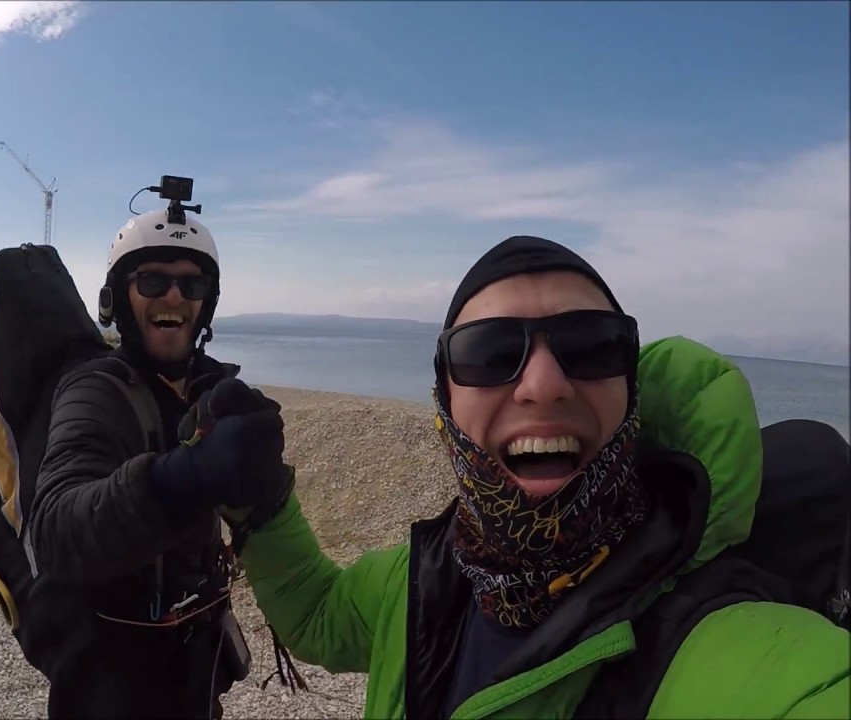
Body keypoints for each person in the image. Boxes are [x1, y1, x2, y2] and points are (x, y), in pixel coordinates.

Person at [224, 236, 851, 718]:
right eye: (490, 353)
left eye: (591, 346)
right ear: (443, 398)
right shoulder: (422, 579)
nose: (544, 385)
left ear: (631, 390)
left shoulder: (750, 659)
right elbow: (319, 615)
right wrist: (257, 495)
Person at [20, 203, 292, 718]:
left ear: (207, 304)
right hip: (108, 684)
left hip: (192, 667)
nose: (173, 296)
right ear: (119, 297)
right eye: (152, 280)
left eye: (191, 286)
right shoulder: (94, 392)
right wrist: (184, 479)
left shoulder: (205, 391)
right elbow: (55, 529)